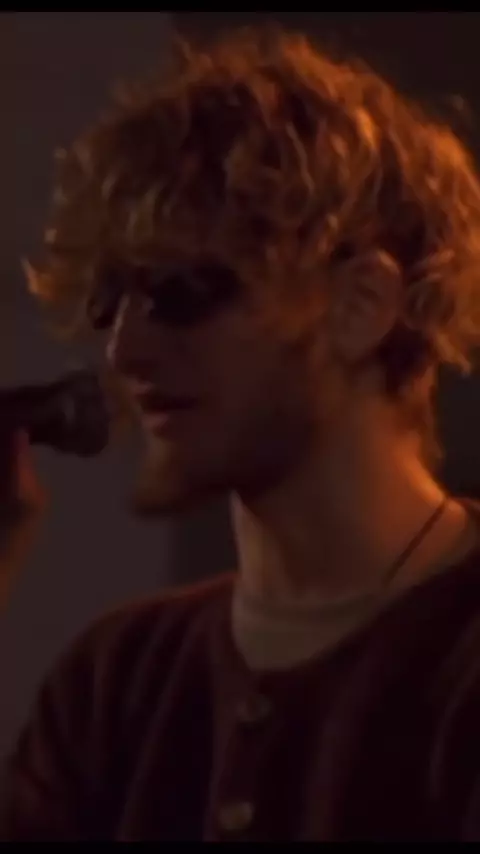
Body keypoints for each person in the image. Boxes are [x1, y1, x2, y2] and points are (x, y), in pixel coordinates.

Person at [1, 26, 480, 841]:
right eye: (111, 301)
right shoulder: (113, 682)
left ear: (361, 304)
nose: (125, 349)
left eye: (184, 291)